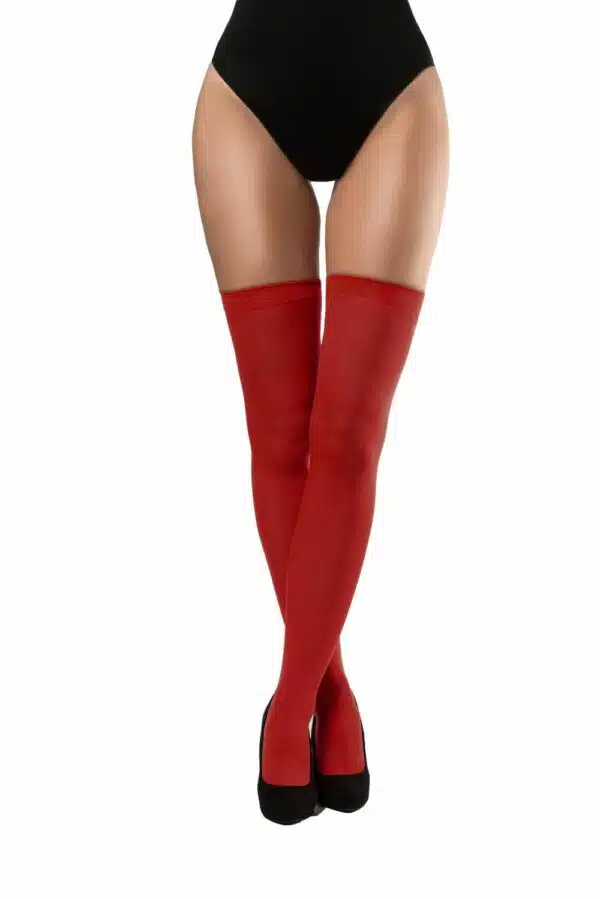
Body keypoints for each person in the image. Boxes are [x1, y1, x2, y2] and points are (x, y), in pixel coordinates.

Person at [192, 0, 449, 825]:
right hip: (245, 100)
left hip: (392, 95)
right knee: (279, 436)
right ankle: (333, 697)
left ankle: (289, 705)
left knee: (348, 437)